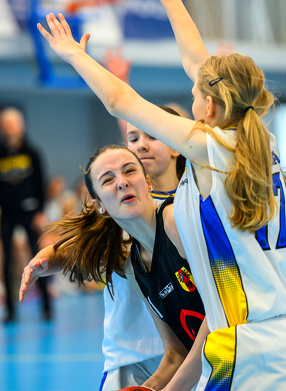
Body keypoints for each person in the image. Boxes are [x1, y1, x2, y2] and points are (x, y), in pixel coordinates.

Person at [35, 0, 286, 390]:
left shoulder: (212, 149)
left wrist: (74, 56)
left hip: (251, 344)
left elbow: (119, 100)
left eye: (194, 95)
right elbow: (198, 63)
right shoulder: (255, 140)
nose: (191, 98)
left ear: (210, 106)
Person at [23, 106, 189, 391]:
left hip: (191, 346)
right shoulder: (120, 206)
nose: (141, 145)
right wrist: (45, 259)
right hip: (132, 352)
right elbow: (77, 245)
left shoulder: (188, 207)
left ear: (177, 144)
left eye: (152, 135)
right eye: (133, 138)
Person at [0, 108, 51, 322]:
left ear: (21, 127)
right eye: (5, 126)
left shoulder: (32, 153)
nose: (9, 130)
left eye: (13, 125)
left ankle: (47, 306)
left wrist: (41, 211)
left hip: (30, 213)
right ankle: (9, 309)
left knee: (38, 258)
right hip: (6, 214)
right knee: (6, 262)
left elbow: (41, 183)